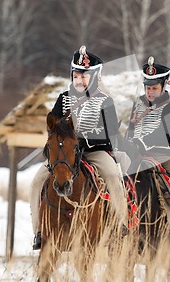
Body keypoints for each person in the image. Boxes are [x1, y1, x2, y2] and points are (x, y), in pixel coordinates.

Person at [30, 46, 127, 250]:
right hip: (65, 155)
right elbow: (53, 129)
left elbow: (109, 134)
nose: (79, 79)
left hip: (94, 153)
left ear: (94, 77)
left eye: (84, 76)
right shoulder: (63, 99)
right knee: (37, 181)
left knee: (112, 176)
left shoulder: (104, 101)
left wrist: (82, 140)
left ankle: (120, 225)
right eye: (76, 75)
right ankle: (39, 231)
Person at [125, 56, 170, 236]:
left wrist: (140, 142)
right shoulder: (138, 104)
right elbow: (131, 129)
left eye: (154, 88)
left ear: (163, 86)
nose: (150, 92)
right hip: (137, 157)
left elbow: (164, 134)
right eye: (148, 87)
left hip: (164, 157)